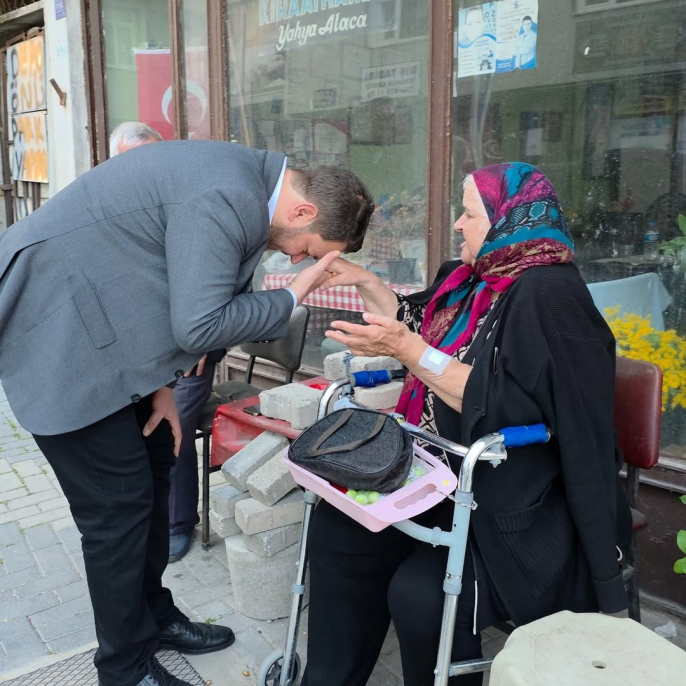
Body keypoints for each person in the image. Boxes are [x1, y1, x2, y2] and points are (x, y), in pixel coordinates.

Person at [0, 140, 374, 686]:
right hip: (62, 341)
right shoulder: (227, 194)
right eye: (310, 251)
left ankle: (153, 617)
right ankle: (124, 669)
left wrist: (161, 385)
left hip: (110, 333)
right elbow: (200, 324)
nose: (299, 262)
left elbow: (146, 275)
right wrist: (296, 294)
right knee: (117, 513)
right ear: (302, 211)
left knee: (155, 470)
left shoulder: (244, 184)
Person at [301, 162, 631, 686]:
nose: (457, 223)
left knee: (420, 597)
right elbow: (417, 324)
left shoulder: (550, 295)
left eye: (470, 213)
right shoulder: (469, 280)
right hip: (439, 472)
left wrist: (408, 352)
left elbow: (515, 408)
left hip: (514, 497)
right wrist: (365, 282)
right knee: (336, 532)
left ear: (508, 221)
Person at [110, 121, 224, 564]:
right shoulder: (115, 204)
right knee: (131, 430)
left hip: (190, 349)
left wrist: (202, 341)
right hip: (137, 347)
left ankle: (177, 523)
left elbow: (227, 276)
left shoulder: (191, 198)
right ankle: (144, 519)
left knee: (171, 426)